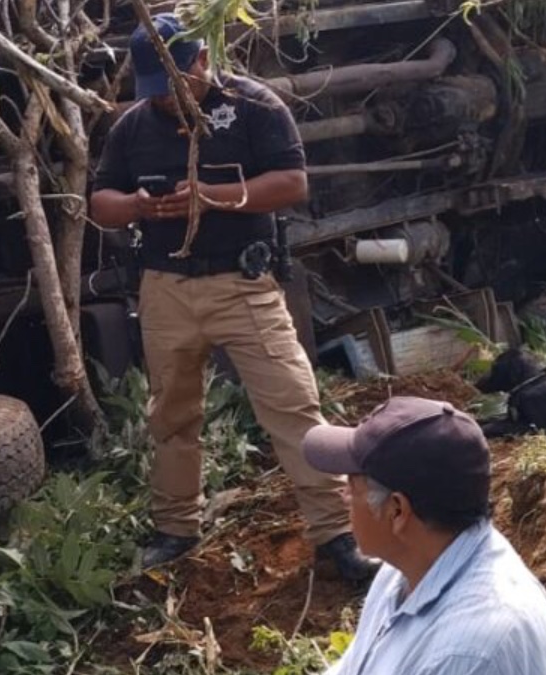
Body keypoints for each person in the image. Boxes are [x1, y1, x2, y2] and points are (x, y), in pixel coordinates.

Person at [89, 13, 377, 581]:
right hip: (164, 287)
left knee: (292, 405)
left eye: (175, 86)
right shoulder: (134, 126)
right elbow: (100, 202)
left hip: (242, 285)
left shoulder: (255, 106)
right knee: (171, 414)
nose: (166, 101)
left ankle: (337, 534)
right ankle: (176, 527)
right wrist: (140, 207)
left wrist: (210, 197)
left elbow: (292, 185)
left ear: (200, 60)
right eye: (154, 91)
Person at [302, 397, 546, 675]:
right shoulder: (408, 569)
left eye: (352, 485)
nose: (344, 495)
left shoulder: (468, 655)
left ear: (397, 511)